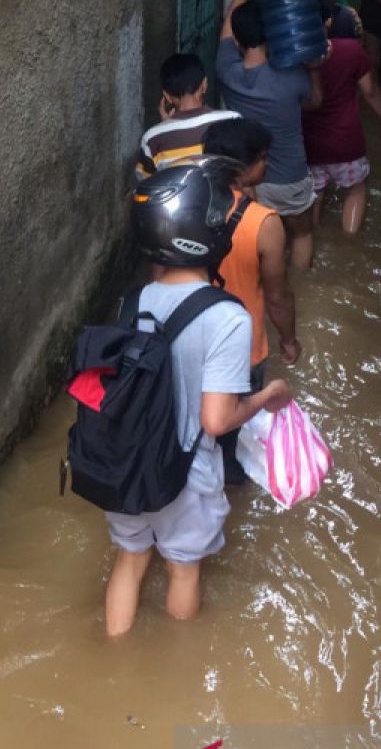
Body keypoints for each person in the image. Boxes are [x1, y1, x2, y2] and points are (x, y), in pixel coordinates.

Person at [105, 160, 294, 637]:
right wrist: (266, 395)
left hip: (125, 464)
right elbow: (215, 420)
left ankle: (116, 661)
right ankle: (177, 670)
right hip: (184, 474)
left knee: (129, 561)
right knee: (183, 570)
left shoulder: (133, 301)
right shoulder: (227, 317)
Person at [203, 118, 301, 484]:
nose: (268, 164)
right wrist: (289, 340)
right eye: (262, 158)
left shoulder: (187, 204)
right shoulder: (265, 223)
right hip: (241, 351)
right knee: (234, 441)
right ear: (242, 169)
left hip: (192, 340)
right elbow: (277, 295)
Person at [218, 0, 325, 270]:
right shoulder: (292, 77)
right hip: (289, 177)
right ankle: (302, 285)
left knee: (254, 241)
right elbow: (315, 102)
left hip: (247, 177)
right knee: (302, 234)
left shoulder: (226, 70)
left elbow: (230, 18)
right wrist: (317, 67)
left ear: (237, 35)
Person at [302, 4, 381, 235]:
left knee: (315, 193)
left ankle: (313, 239)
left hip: (310, 143)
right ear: (327, 23)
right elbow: (370, 91)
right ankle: (350, 240)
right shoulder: (352, 50)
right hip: (347, 142)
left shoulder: (295, 57)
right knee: (356, 189)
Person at [136, 53, 240, 180]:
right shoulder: (233, 120)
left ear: (167, 96)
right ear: (204, 84)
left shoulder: (152, 138)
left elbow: (148, 184)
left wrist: (165, 126)